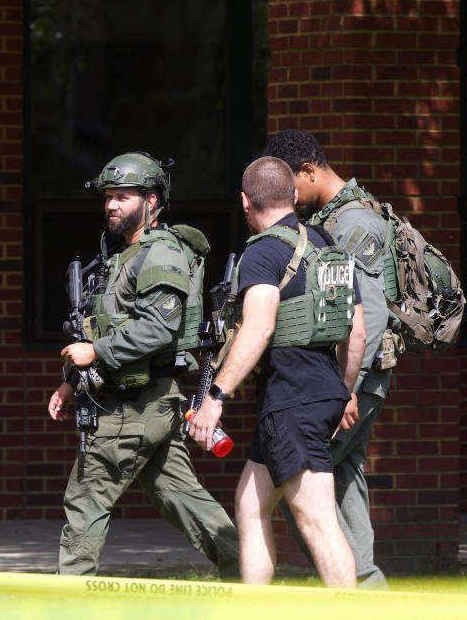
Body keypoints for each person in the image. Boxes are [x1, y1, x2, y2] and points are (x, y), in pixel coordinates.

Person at [47, 151, 240, 579]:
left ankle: (66, 602)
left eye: (122, 196)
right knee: (181, 496)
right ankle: (249, 573)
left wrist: (95, 354)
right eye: (108, 197)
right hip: (137, 402)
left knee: (86, 498)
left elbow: (158, 330)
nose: (111, 205)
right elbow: (102, 328)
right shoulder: (124, 255)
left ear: (151, 201)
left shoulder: (160, 254)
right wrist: (70, 382)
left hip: (136, 406)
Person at [189, 156, 364, 588]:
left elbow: (259, 326)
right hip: (314, 391)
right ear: (292, 196)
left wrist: (215, 397)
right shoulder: (325, 244)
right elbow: (355, 332)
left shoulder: (264, 252)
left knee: (318, 523)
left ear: (245, 201)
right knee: (250, 503)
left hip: (292, 400)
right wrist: (342, 392)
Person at [264, 130, 394, 588]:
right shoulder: (333, 219)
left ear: (308, 171)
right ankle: (367, 596)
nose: (288, 198)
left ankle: (354, 594)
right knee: (340, 486)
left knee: (296, 485)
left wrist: (344, 392)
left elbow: (370, 318)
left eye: (291, 186)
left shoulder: (353, 224)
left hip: (354, 380)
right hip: (347, 380)